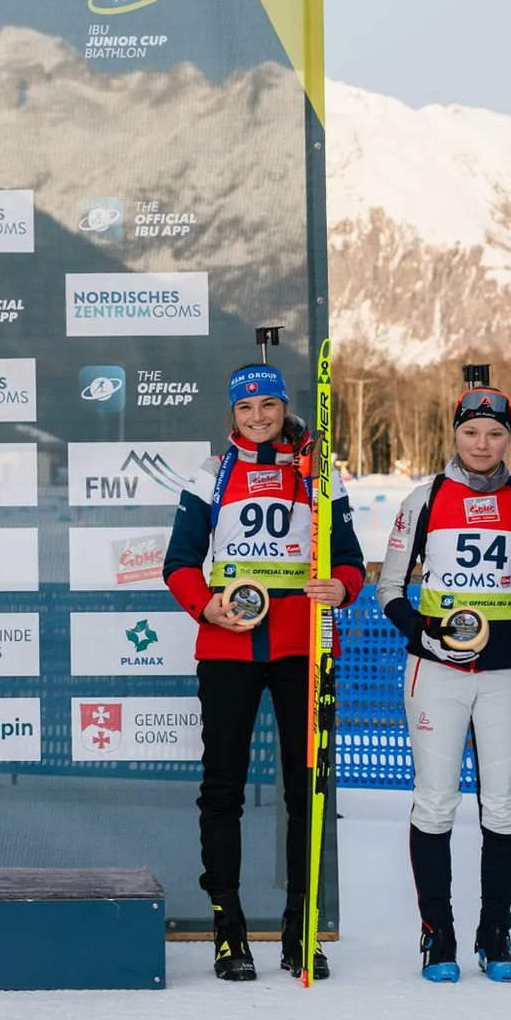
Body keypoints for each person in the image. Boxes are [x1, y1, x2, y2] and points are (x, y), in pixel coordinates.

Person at [163, 358, 365, 981]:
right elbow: (179, 563)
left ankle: (302, 928)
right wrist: (206, 607)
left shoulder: (318, 473)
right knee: (222, 789)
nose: (258, 417)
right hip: (228, 647)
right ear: (233, 413)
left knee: (305, 790)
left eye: (268, 406)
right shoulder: (211, 473)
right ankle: (229, 930)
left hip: (301, 647)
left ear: (283, 408)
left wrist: (342, 588)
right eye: (246, 408)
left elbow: (350, 560)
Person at [375, 378, 511, 982]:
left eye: (493, 433)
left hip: (506, 671)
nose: (481, 444)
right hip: (436, 669)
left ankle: (495, 933)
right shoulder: (426, 498)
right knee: (436, 799)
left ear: (509, 438)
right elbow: (389, 588)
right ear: (455, 435)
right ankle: (438, 933)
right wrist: (423, 632)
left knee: (505, 803)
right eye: (470, 432)